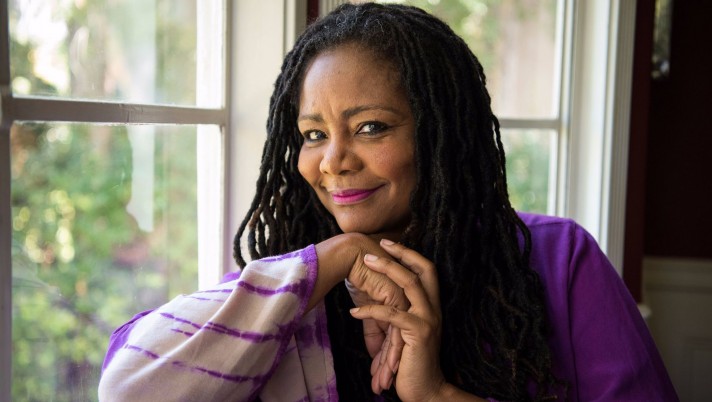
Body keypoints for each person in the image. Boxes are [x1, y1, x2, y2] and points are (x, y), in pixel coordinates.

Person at [98, 3, 678, 401]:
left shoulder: (559, 261)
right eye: (313, 134)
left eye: (371, 127)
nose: (333, 161)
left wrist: (435, 394)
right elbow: (127, 387)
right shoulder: (294, 286)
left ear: (440, 134)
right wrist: (341, 255)